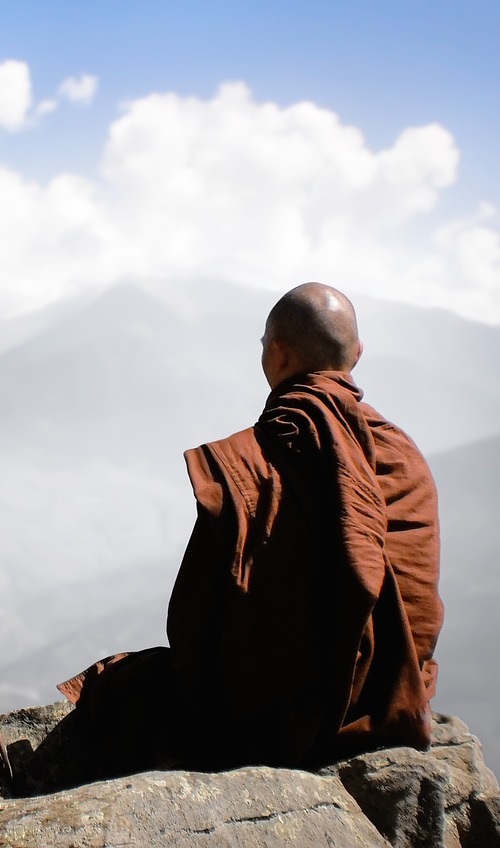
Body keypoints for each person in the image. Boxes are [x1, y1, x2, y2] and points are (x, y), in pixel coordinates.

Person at [60, 282, 443, 774]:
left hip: (290, 716)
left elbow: (198, 620)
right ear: (358, 354)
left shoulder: (260, 458)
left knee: (121, 688)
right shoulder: (402, 454)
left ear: (278, 354)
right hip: (393, 692)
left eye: (264, 343)